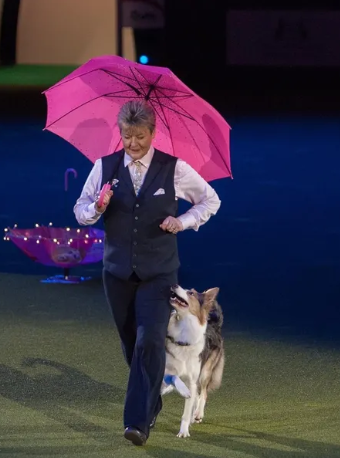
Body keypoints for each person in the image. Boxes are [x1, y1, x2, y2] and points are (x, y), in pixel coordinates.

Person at [73, 100, 221, 445]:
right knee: (131, 345)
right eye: (127, 136)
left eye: (139, 136)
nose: (133, 143)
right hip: (117, 273)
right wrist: (96, 207)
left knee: (150, 340)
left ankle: (137, 422)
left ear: (153, 134)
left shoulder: (174, 169)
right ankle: (152, 399)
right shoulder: (105, 167)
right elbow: (80, 210)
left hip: (159, 273)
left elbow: (210, 200)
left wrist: (181, 221)